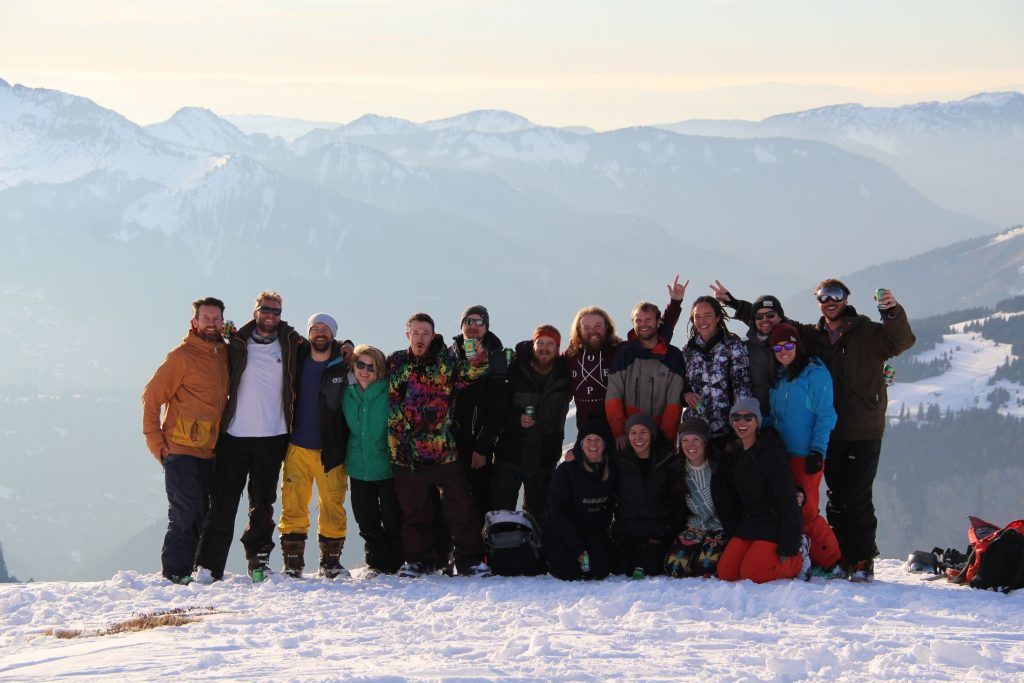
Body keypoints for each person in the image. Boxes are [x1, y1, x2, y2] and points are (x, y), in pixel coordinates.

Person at [712, 279, 916, 581]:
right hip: (819, 438)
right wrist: (733, 304)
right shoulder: (812, 338)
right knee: (833, 499)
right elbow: (774, 323)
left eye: (836, 296)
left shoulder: (868, 332)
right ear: (818, 301)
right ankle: (840, 555)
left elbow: (901, 342)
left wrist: (892, 312)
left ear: (846, 298)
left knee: (855, 498)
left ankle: (858, 560)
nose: (830, 302)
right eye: (824, 297)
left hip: (860, 429)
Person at [194, 291, 304, 583]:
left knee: (263, 503)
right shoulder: (236, 340)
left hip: (274, 434)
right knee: (223, 501)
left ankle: (259, 560)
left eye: (276, 311)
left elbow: (324, 347)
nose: (270, 315)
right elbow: (202, 338)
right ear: (255, 311)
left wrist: (346, 346)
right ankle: (208, 565)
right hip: (235, 435)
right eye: (265, 309)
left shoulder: (292, 342)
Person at [386, 312, 491, 578]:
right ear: (407, 334)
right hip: (406, 453)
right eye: (416, 333)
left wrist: (477, 354)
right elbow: (383, 391)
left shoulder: (447, 361)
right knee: (414, 512)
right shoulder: (395, 362)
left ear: (433, 335)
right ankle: (418, 561)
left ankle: (469, 560)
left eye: (426, 333)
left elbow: (472, 373)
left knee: (460, 509)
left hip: (443, 450)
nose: (420, 338)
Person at [142, 297, 230, 584]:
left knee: (204, 514)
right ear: (195, 322)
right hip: (180, 450)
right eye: (206, 318)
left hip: (212, 451)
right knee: (185, 512)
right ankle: (175, 572)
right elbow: (151, 398)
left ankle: (194, 570)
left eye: (216, 318)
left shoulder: (226, 354)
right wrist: (157, 444)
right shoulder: (181, 357)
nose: (211, 323)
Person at [277, 313, 351, 579]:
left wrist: (349, 347)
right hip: (297, 444)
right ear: (309, 333)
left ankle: (330, 562)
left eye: (326, 329)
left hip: (332, 448)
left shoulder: (344, 363)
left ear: (333, 333)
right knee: (293, 503)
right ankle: (293, 563)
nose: (320, 333)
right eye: (315, 328)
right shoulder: (296, 357)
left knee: (332, 504)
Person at [564, 276, 685, 429]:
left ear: (606, 327)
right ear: (578, 330)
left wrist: (675, 303)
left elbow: (656, 335)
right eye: (586, 327)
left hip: (620, 428)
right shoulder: (570, 355)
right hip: (588, 431)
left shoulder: (620, 350)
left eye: (597, 326)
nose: (592, 331)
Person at [716, 398, 806, 584]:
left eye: (748, 418)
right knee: (726, 572)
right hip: (749, 522)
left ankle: (798, 560)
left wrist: (789, 544)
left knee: (753, 572)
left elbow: (788, 499)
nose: (742, 423)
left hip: (773, 523)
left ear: (757, 422)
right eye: (736, 418)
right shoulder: (735, 454)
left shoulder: (771, 452)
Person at [491, 325, 572, 524]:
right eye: (540, 342)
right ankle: (499, 554)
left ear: (557, 347)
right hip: (509, 456)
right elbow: (497, 406)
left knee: (539, 518)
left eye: (550, 344)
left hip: (543, 459)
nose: (544, 348)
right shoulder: (515, 370)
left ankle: (536, 554)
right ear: (533, 344)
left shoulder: (565, 375)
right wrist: (516, 418)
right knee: (501, 515)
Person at [343, 344, 403, 575]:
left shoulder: (390, 391)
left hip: (386, 465)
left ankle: (396, 563)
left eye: (371, 366)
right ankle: (376, 564)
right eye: (360, 365)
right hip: (358, 466)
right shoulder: (347, 392)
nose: (365, 371)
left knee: (392, 518)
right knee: (366, 519)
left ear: (379, 370)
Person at [449, 305, 509, 526]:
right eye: (469, 321)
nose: (473, 327)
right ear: (462, 325)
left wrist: (483, 447)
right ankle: (450, 557)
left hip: (478, 444)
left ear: (486, 326)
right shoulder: (450, 353)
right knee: (451, 503)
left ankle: (483, 555)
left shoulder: (495, 355)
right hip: (450, 443)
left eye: (479, 322)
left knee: (480, 502)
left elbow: (498, 407)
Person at [610, 413, 685, 579]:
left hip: (657, 529)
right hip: (628, 528)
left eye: (643, 432)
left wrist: (672, 530)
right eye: (633, 433)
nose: (638, 438)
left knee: (646, 568)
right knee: (620, 569)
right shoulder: (620, 461)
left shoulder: (667, 460)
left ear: (652, 434)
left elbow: (677, 502)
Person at [543, 414, 617, 581]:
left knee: (600, 571)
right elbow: (556, 513)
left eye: (597, 439)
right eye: (587, 439)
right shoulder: (566, 471)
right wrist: (577, 547)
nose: (592, 444)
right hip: (562, 530)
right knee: (570, 573)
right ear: (580, 443)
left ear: (605, 443)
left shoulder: (611, 470)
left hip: (592, 528)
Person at [605, 301, 687, 449]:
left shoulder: (673, 356)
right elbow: (613, 397)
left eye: (648, 319)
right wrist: (619, 433)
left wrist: (667, 438)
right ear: (633, 323)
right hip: (627, 436)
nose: (643, 324)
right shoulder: (624, 354)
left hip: (660, 438)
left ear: (658, 322)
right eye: (638, 320)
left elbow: (674, 403)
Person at [664, 416, 738, 579]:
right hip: (694, 525)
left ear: (704, 442)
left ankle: (705, 556)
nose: (690, 446)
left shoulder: (720, 464)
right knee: (674, 568)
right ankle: (696, 553)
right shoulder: (676, 468)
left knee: (706, 569)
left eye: (695, 439)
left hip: (719, 525)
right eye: (685, 441)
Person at [681, 296, 752, 448]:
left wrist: (739, 430)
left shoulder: (733, 346)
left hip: (726, 432)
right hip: (696, 432)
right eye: (697, 317)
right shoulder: (688, 352)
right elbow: (681, 383)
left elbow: (742, 389)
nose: (702, 321)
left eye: (708, 316)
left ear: (718, 317)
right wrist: (686, 394)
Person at [709, 285, 789, 416]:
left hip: (788, 423)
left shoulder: (793, 346)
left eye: (770, 314)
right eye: (759, 316)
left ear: (780, 317)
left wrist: (735, 303)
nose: (765, 320)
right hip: (754, 422)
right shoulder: (743, 348)